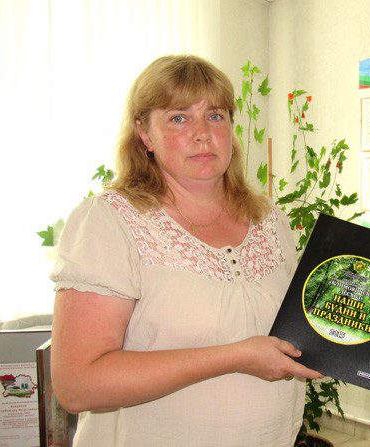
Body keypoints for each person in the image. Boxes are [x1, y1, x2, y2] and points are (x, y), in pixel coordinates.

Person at [50, 55, 322, 447]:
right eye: (178, 118)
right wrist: (235, 356)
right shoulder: (109, 222)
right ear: (144, 134)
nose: (203, 134)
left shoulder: (269, 220)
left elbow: (297, 332)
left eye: (215, 116)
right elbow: (78, 385)